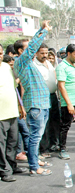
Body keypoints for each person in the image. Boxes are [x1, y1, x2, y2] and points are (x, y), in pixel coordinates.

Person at [14, 20, 53, 176]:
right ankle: (33, 167)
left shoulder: (29, 64)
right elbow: (31, 49)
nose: (32, 50)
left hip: (42, 104)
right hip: (36, 106)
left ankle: (35, 161)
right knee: (34, 137)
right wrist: (42, 30)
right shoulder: (21, 62)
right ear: (20, 51)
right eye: (27, 48)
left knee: (36, 137)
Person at [0, 44, 28, 182]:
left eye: (0, 53)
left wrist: (20, 106)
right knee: (1, 145)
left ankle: (12, 166)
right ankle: (4, 171)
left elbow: (14, 87)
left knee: (13, 142)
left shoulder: (6, 67)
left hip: (12, 112)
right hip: (1, 116)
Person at [34, 43, 60, 157]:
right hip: (41, 97)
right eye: (42, 53)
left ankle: (54, 144)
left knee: (55, 121)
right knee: (44, 124)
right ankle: (44, 149)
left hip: (52, 95)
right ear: (36, 53)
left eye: (46, 53)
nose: (44, 55)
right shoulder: (34, 65)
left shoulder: (49, 63)